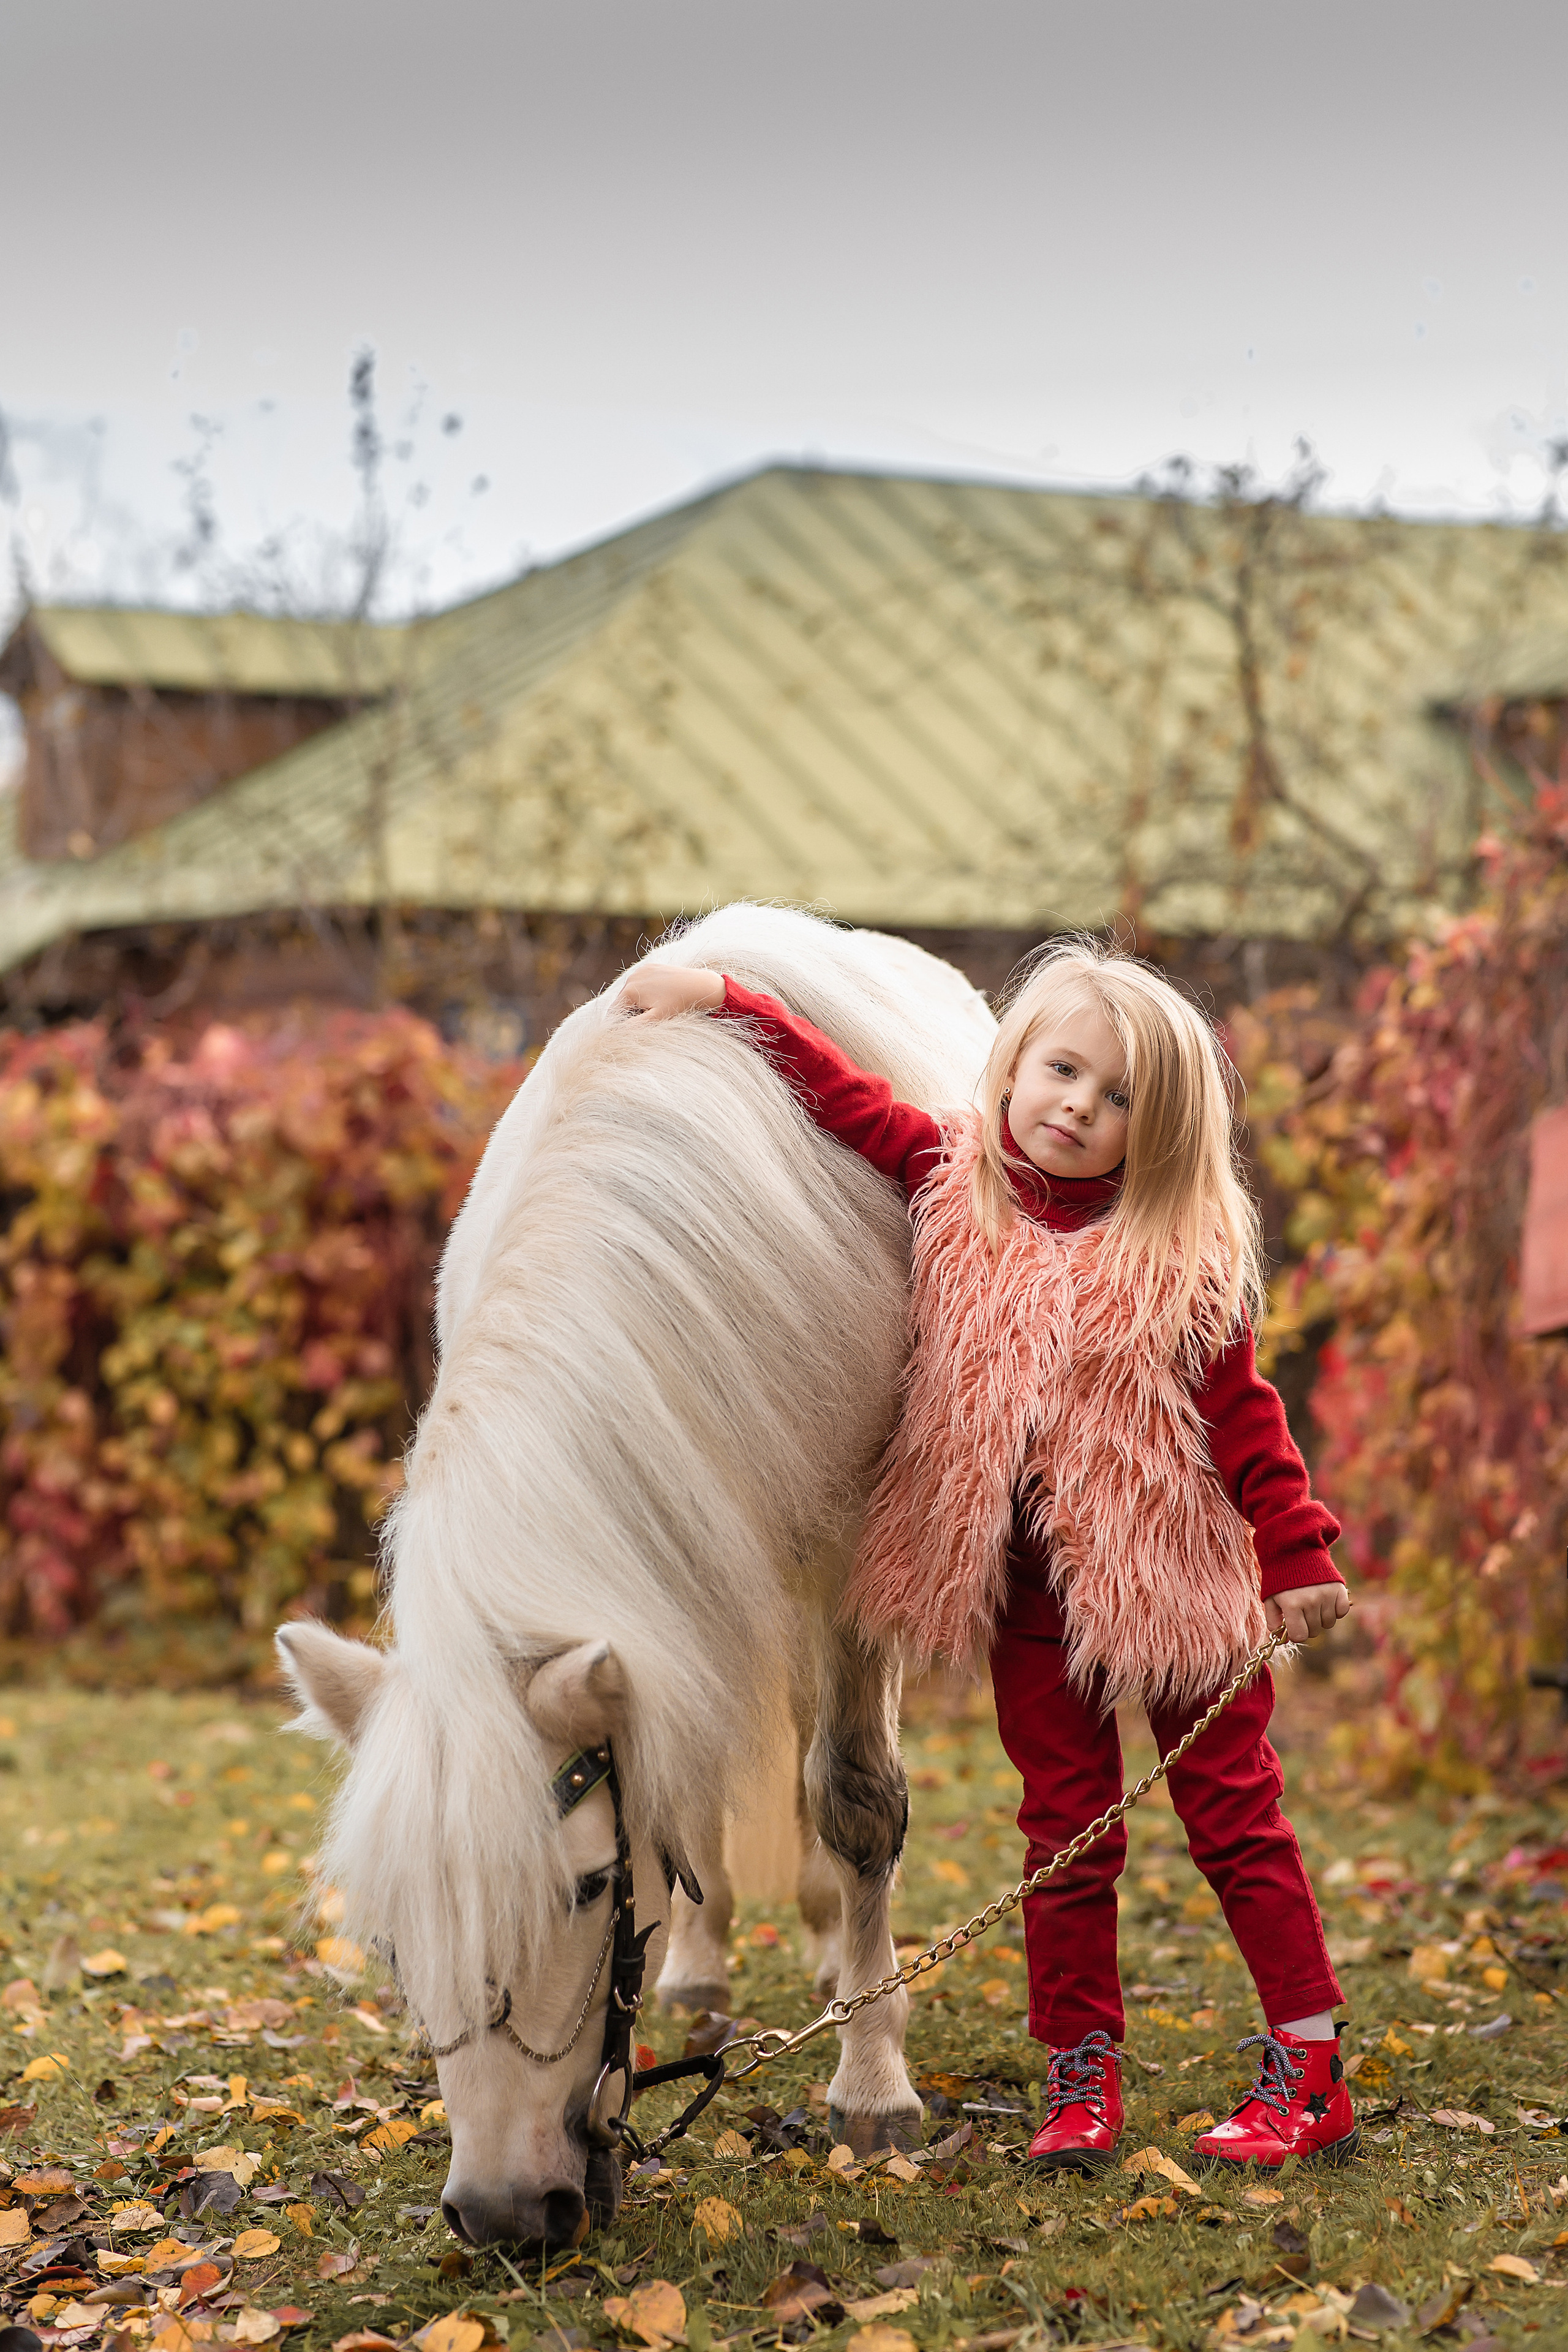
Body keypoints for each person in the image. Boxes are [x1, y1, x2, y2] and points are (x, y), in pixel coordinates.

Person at [617, 940, 1355, 2174]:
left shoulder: (1177, 1250)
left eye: (1117, 1097)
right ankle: (1080, 2078)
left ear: (1154, 1129)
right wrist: (730, 998)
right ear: (1010, 1067)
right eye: (1061, 1070)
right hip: (1026, 1597)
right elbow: (834, 1095)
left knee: (1236, 1822)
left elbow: (1243, 1413)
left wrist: (1293, 1551)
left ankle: (1306, 2062)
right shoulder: (947, 1182)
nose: (1077, 1105)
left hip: (1176, 1581)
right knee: (1064, 1836)